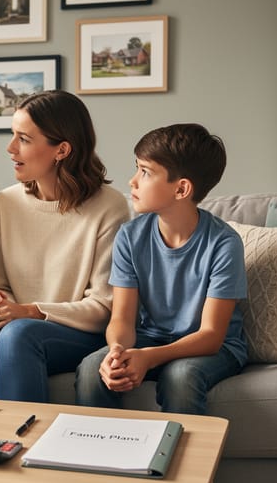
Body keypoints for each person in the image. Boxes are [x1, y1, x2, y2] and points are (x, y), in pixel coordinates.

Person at [0, 90, 130, 403]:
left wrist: (29, 312)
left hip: (79, 333)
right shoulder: (5, 203)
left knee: (19, 333)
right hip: (20, 326)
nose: (10, 148)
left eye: (23, 138)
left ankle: (23, 444)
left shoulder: (109, 207)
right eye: (13, 136)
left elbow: (104, 308)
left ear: (61, 150)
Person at [74, 123, 247, 415]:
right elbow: (122, 319)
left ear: (181, 189)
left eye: (145, 172)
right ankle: (104, 457)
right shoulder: (130, 236)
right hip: (150, 336)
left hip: (213, 348)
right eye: (137, 168)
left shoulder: (224, 244)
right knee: (94, 368)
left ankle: (179, 460)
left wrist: (150, 357)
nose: (132, 181)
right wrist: (118, 350)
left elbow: (211, 335)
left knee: (180, 377)